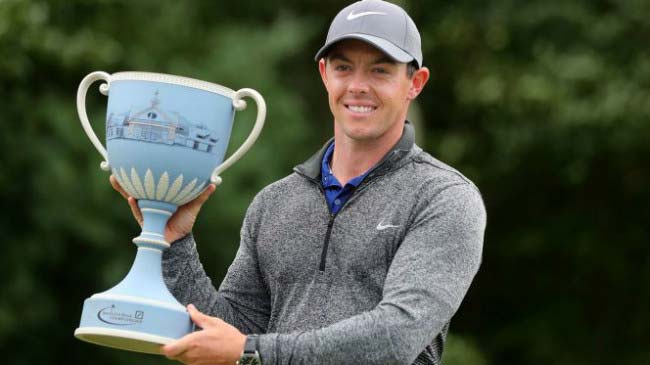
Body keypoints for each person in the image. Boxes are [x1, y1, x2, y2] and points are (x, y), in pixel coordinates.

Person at [111, 1, 486, 364]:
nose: (357, 86)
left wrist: (251, 352)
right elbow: (227, 332)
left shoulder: (444, 199)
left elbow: (395, 336)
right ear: (324, 74)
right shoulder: (274, 202)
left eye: (380, 71)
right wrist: (174, 243)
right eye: (343, 68)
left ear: (415, 83)